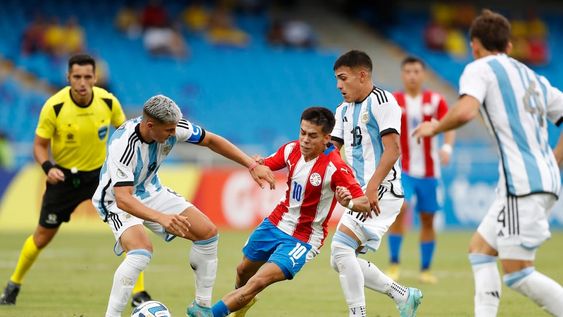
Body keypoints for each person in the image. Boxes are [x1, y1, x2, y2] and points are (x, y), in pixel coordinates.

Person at [413, 9, 563, 316]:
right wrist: (553, 161)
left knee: (518, 273)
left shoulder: (480, 68)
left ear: (474, 45)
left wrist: (435, 127)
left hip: (520, 186)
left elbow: (466, 110)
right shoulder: (534, 77)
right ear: (509, 46)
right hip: (541, 180)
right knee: (480, 250)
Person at [92, 94, 275, 317]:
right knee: (140, 252)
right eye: (168, 131)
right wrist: (161, 218)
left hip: (150, 190)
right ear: (150, 125)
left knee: (207, 233)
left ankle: (201, 307)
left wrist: (250, 164)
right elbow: (124, 198)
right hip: (116, 200)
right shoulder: (124, 145)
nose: (173, 134)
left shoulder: (174, 125)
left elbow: (211, 140)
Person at [0, 54, 152, 307]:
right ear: (68, 78)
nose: (82, 82)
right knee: (41, 237)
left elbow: (126, 134)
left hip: (100, 177)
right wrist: (47, 167)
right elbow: (39, 146)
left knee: (130, 228)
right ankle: (13, 285)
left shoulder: (108, 102)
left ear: (95, 78)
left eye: (87, 77)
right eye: (77, 77)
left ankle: (138, 294)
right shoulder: (55, 106)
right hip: (63, 179)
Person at [202, 106, 372, 317]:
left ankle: (209, 314)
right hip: (275, 223)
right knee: (242, 271)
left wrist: (349, 203)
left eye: (312, 136)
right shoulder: (291, 150)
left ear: (327, 138)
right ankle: (241, 304)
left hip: (303, 238)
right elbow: (266, 163)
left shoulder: (336, 167)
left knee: (258, 281)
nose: (305, 140)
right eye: (302, 132)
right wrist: (257, 163)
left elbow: (365, 203)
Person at [329, 50, 423, 317]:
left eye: (343, 78)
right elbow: (332, 150)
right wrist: (337, 181)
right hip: (359, 193)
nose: (338, 85)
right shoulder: (343, 110)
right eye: (336, 79)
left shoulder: (384, 101)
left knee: (340, 249)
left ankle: (358, 314)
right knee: (340, 260)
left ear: (362, 75)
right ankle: (403, 295)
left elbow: (393, 150)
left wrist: (371, 188)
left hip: (381, 190)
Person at [386, 56, 456, 284]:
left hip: (429, 172)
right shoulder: (393, 101)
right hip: (402, 169)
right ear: (402, 75)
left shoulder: (436, 100)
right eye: (408, 71)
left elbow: (449, 125)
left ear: (423, 75)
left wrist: (446, 147)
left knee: (428, 219)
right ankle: (394, 263)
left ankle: (425, 269)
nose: (412, 76)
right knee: (401, 207)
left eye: (416, 71)